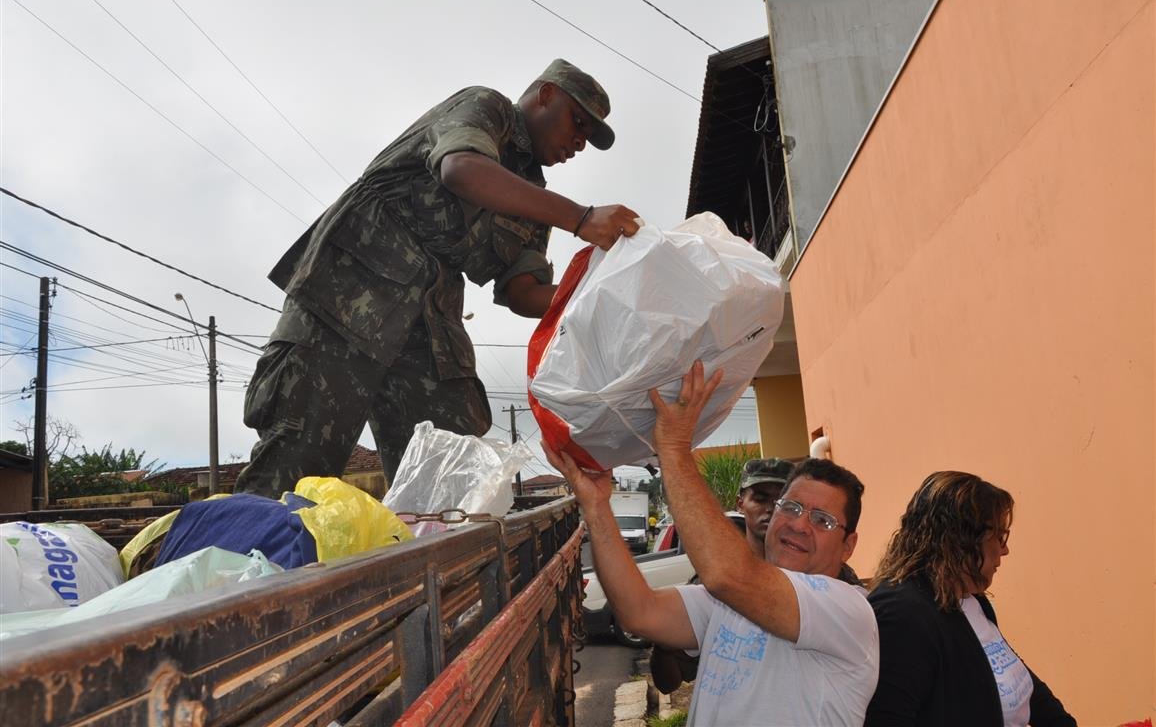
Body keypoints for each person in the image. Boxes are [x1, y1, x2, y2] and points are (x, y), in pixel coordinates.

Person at [235, 59, 641, 498]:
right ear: (545, 95)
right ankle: (238, 564)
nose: (578, 142)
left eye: (587, 138)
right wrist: (580, 219)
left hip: (428, 331)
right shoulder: (489, 109)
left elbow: (521, 293)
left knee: (449, 479)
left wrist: (597, 290)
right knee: (294, 470)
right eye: (576, 123)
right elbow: (460, 168)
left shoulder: (533, 198)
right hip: (346, 301)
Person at [546, 361, 879, 726]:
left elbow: (727, 576)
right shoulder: (732, 600)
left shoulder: (848, 610)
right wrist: (597, 507)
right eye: (792, 506)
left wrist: (673, 448)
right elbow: (640, 612)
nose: (799, 524)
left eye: (822, 520)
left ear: (849, 546)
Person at [866, 471, 1076, 727]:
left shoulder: (970, 600)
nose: (1005, 549)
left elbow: (1021, 681)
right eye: (1000, 536)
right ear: (962, 537)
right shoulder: (901, 615)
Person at [649, 455, 791, 695]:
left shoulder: (815, 576)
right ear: (740, 503)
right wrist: (663, 640)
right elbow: (668, 683)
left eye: (782, 500)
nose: (771, 508)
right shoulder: (717, 580)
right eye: (760, 497)